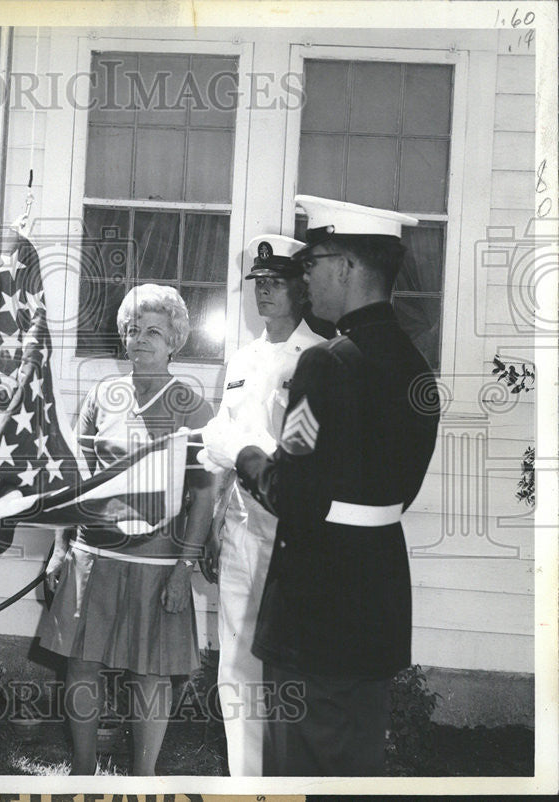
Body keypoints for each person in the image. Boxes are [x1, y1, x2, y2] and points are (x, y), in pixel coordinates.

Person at [200, 195, 441, 776]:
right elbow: (399, 492)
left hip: (316, 601)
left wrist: (240, 450)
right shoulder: (416, 367)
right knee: (354, 762)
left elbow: (293, 495)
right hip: (378, 587)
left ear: (348, 268)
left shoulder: (324, 365)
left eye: (314, 262)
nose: (305, 275)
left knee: (299, 765)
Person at [37, 283, 215, 776]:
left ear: (175, 340)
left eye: (153, 331)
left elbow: (203, 495)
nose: (141, 340)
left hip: (158, 561)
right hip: (95, 553)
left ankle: (143, 776)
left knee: (151, 671)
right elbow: (74, 481)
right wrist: (59, 549)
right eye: (133, 330)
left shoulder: (192, 407)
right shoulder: (101, 395)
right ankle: (83, 768)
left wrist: (185, 566)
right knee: (81, 664)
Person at [203, 235, 325, 777]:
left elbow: (308, 453)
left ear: (302, 288)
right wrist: (210, 522)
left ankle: (291, 777)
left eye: (277, 282)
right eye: (260, 284)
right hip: (239, 525)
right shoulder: (243, 358)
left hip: (291, 529)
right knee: (234, 662)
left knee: (290, 662)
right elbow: (217, 446)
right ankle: (244, 781)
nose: (266, 292)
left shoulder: (319, 357)